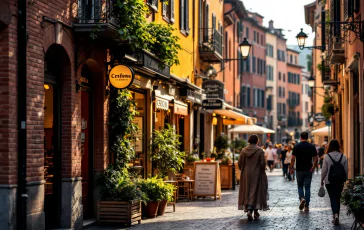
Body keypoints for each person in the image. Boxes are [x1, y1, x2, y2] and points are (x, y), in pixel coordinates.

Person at [238, 134, 269, 221]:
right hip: (257, 173)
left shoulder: (243, 151)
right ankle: (252, 210)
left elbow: (239, 163)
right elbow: (263, 163)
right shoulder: (260, 151)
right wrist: (262, 169)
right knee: (256, 191)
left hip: (246, 173)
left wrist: (243, 170)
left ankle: (251, 210)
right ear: (257, 141)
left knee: (247, 190)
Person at [321, 140, 348, 225]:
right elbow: (346, 170)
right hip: (340, 181)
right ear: (338, 146)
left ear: (330, 146)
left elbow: (324, 170)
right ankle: (337, 216)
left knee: (332, 198)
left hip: (329, 181)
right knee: (337, 198)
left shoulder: (326, 157)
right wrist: (345, 179)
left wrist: (321, 179)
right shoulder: (343, 156)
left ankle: (335, 214)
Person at [289, 132, 318, 212]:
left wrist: (291, 168)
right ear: (307, 137)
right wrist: (313, 167)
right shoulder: (311, 146)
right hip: (308, 169)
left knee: (300, 186)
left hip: (299, 170)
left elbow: (292, 159)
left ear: (301, 137)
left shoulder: (296, 146)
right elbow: (315, 158)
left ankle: (302, 198)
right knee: (308, 187)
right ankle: (307, 206)